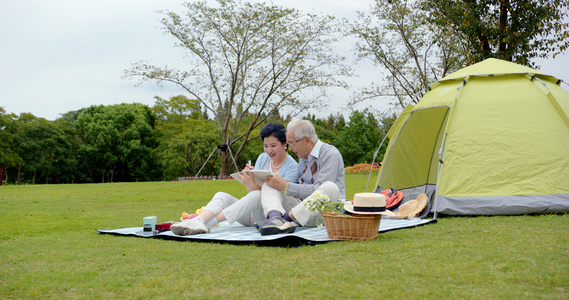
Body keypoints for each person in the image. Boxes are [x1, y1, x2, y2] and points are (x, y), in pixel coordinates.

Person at [171, 122, 299, 236]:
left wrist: (251, 184)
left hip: (271, 216)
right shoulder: (263, 158)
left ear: (285, 144)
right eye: (265, 146)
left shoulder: (292, 167)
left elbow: (273, 197)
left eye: (273, 145)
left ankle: (207, 224)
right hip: (251, 213)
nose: (269, 150)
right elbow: (253, 193)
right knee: (222, 195)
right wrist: (249, 177)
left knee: (256, 194)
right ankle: (198, 221)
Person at [255, 119, 346, 235]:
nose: (290, 148)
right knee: (270, 182)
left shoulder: (330, 154)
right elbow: (301, 191)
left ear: (306, 140)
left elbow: (319, 191)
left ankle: (285, 219)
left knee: (329, 187)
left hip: (325, 214)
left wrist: (286, 186)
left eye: (292, 143)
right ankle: (275, 219)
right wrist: (280, 185)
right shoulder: (303, 157)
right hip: (302, 213)